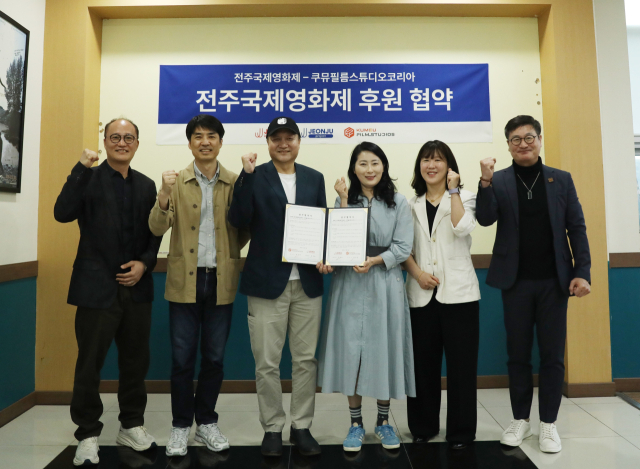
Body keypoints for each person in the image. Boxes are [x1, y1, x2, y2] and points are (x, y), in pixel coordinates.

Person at [476, 115, 591, 453]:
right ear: (508, 145)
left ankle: (548, 424)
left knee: (552, 355)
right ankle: (520, 419)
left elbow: (577, 227)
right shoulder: (498, 179)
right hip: (516, 282)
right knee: (518, 354)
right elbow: (485, 218)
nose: (523, 144)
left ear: (539, 140)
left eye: (529, 137)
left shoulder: (561, 179)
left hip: (555, 282)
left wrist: (582, 271)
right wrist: (484, 181)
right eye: (516, 139)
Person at [54, 118, 162, 466]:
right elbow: (61, 213)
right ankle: (87, 434)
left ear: (137, 144)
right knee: (89, 364)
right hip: (95, 288)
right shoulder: (88, 178)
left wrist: (145, 263)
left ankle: (131, 425)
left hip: (137, 287)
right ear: (105, 141)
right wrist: (79, 168)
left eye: (128, 137)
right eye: (115, 137)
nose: (122, 142)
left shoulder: (146, 185)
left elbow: (154, 234)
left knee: (135, 362)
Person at [148, 115, 250, 457]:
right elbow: (156, 227)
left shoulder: (235, 182)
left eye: (211, 136)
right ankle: (180, 426)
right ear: (190, 142)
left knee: (215, 358)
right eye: (198, 136)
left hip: (221, 280)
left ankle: (206, 421)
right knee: (181, 359)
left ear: (221, 141)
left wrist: (229, 251)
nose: (205, 142)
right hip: (184, 281)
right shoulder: (176, 181)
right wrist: (163, 194)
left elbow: (244, 228)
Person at [228, 116, 326, 457]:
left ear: (299, 141)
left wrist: (326, 254)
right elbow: (238, 219)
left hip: (307, 282)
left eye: (289, 137)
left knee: (305, 360)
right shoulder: (254, 175)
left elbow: (322, 225)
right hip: (266, 282)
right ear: (267, 141)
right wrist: (245, 176)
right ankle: (272, 427)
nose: (283, 144)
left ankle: (301, 426)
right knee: (267, 363)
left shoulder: (314, 178)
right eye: (276, 138)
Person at [316, 141, 415, 453]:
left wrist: (374, 261)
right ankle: (355, 423)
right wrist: (344, 201)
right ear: (354, 169)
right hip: (350, 284)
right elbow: (338, 239)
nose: (369, 169)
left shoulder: (399, 202)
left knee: (383, 350)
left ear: (383, 166)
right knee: (352, 353)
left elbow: (403, 247)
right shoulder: (344, 198)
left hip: (384, 283)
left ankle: (383, 421)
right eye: (363, 163)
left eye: (375, 163)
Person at [401, 140, 481, 450]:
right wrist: (418, 274)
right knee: (422, 366)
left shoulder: (466, 197)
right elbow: (403, 249)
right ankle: (423, 426)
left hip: (460, 295)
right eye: (426, 159)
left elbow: (462, 228)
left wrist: (454, 190)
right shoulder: (410, 204)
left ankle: (461, 431)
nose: (431, 165)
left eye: (438, 160)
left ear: (449, 166)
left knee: (462, 367)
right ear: (419, 166)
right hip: (421, 294)